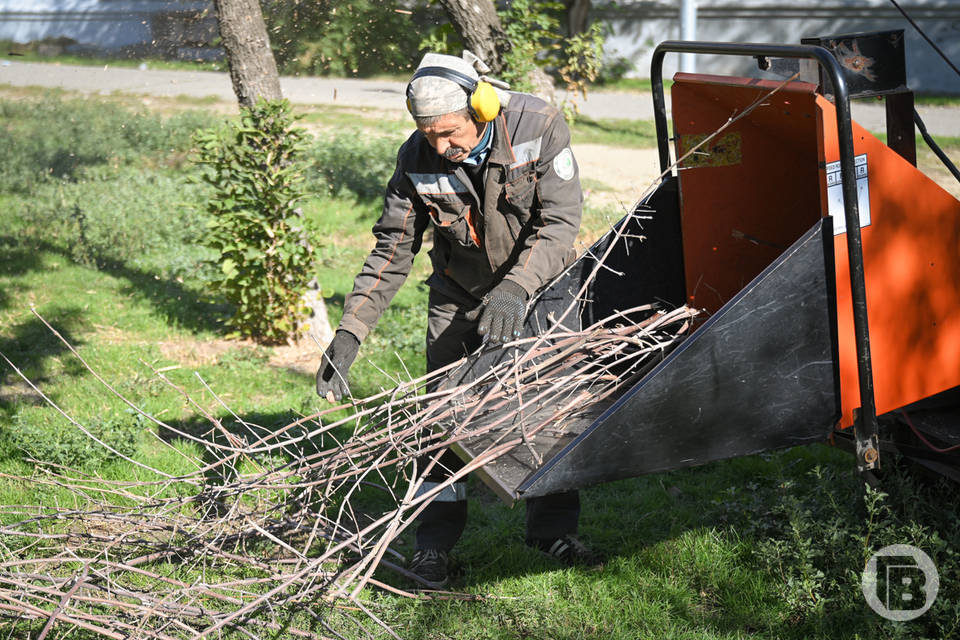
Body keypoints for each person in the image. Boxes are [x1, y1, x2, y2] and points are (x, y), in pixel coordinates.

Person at [316, 51, 595, 588]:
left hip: (540, 289)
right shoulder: (417, 156)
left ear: (481, 107)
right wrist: (349, 333)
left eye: (449, 132)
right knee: (440, 421)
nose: (442, 147)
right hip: (458, 294)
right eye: (429, 133)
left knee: (547, 410)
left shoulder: (538, 125)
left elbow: (561, 223)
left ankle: (550, 530)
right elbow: (391, 251)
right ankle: (434, 545)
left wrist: (516, 288)